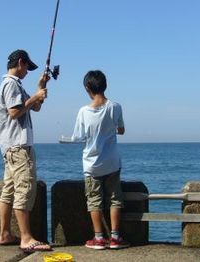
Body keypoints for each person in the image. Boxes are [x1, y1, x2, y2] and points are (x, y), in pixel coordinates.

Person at [0, 49, 52, 252]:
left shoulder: (15, 85)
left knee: (8, 190)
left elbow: (34, 107)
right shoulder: (11, 84)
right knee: (24, 189)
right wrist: (35, 95)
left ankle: (4, 233)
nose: (28, 71)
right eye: (28, 66)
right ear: (20, 62)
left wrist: (40, 87)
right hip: (19, 147)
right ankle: (26, 238)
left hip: (10, 148)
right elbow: (15, 112)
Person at [71, 70, 130, 250]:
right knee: (115, 199)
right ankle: (115, 237)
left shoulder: (83, 111)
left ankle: (98, 238)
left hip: (91, 164)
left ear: (87, 88)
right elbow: (121, 130)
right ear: (105, 85)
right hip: (112, 162)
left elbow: (78, 137)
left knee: (94, 200)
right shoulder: (115, 107)